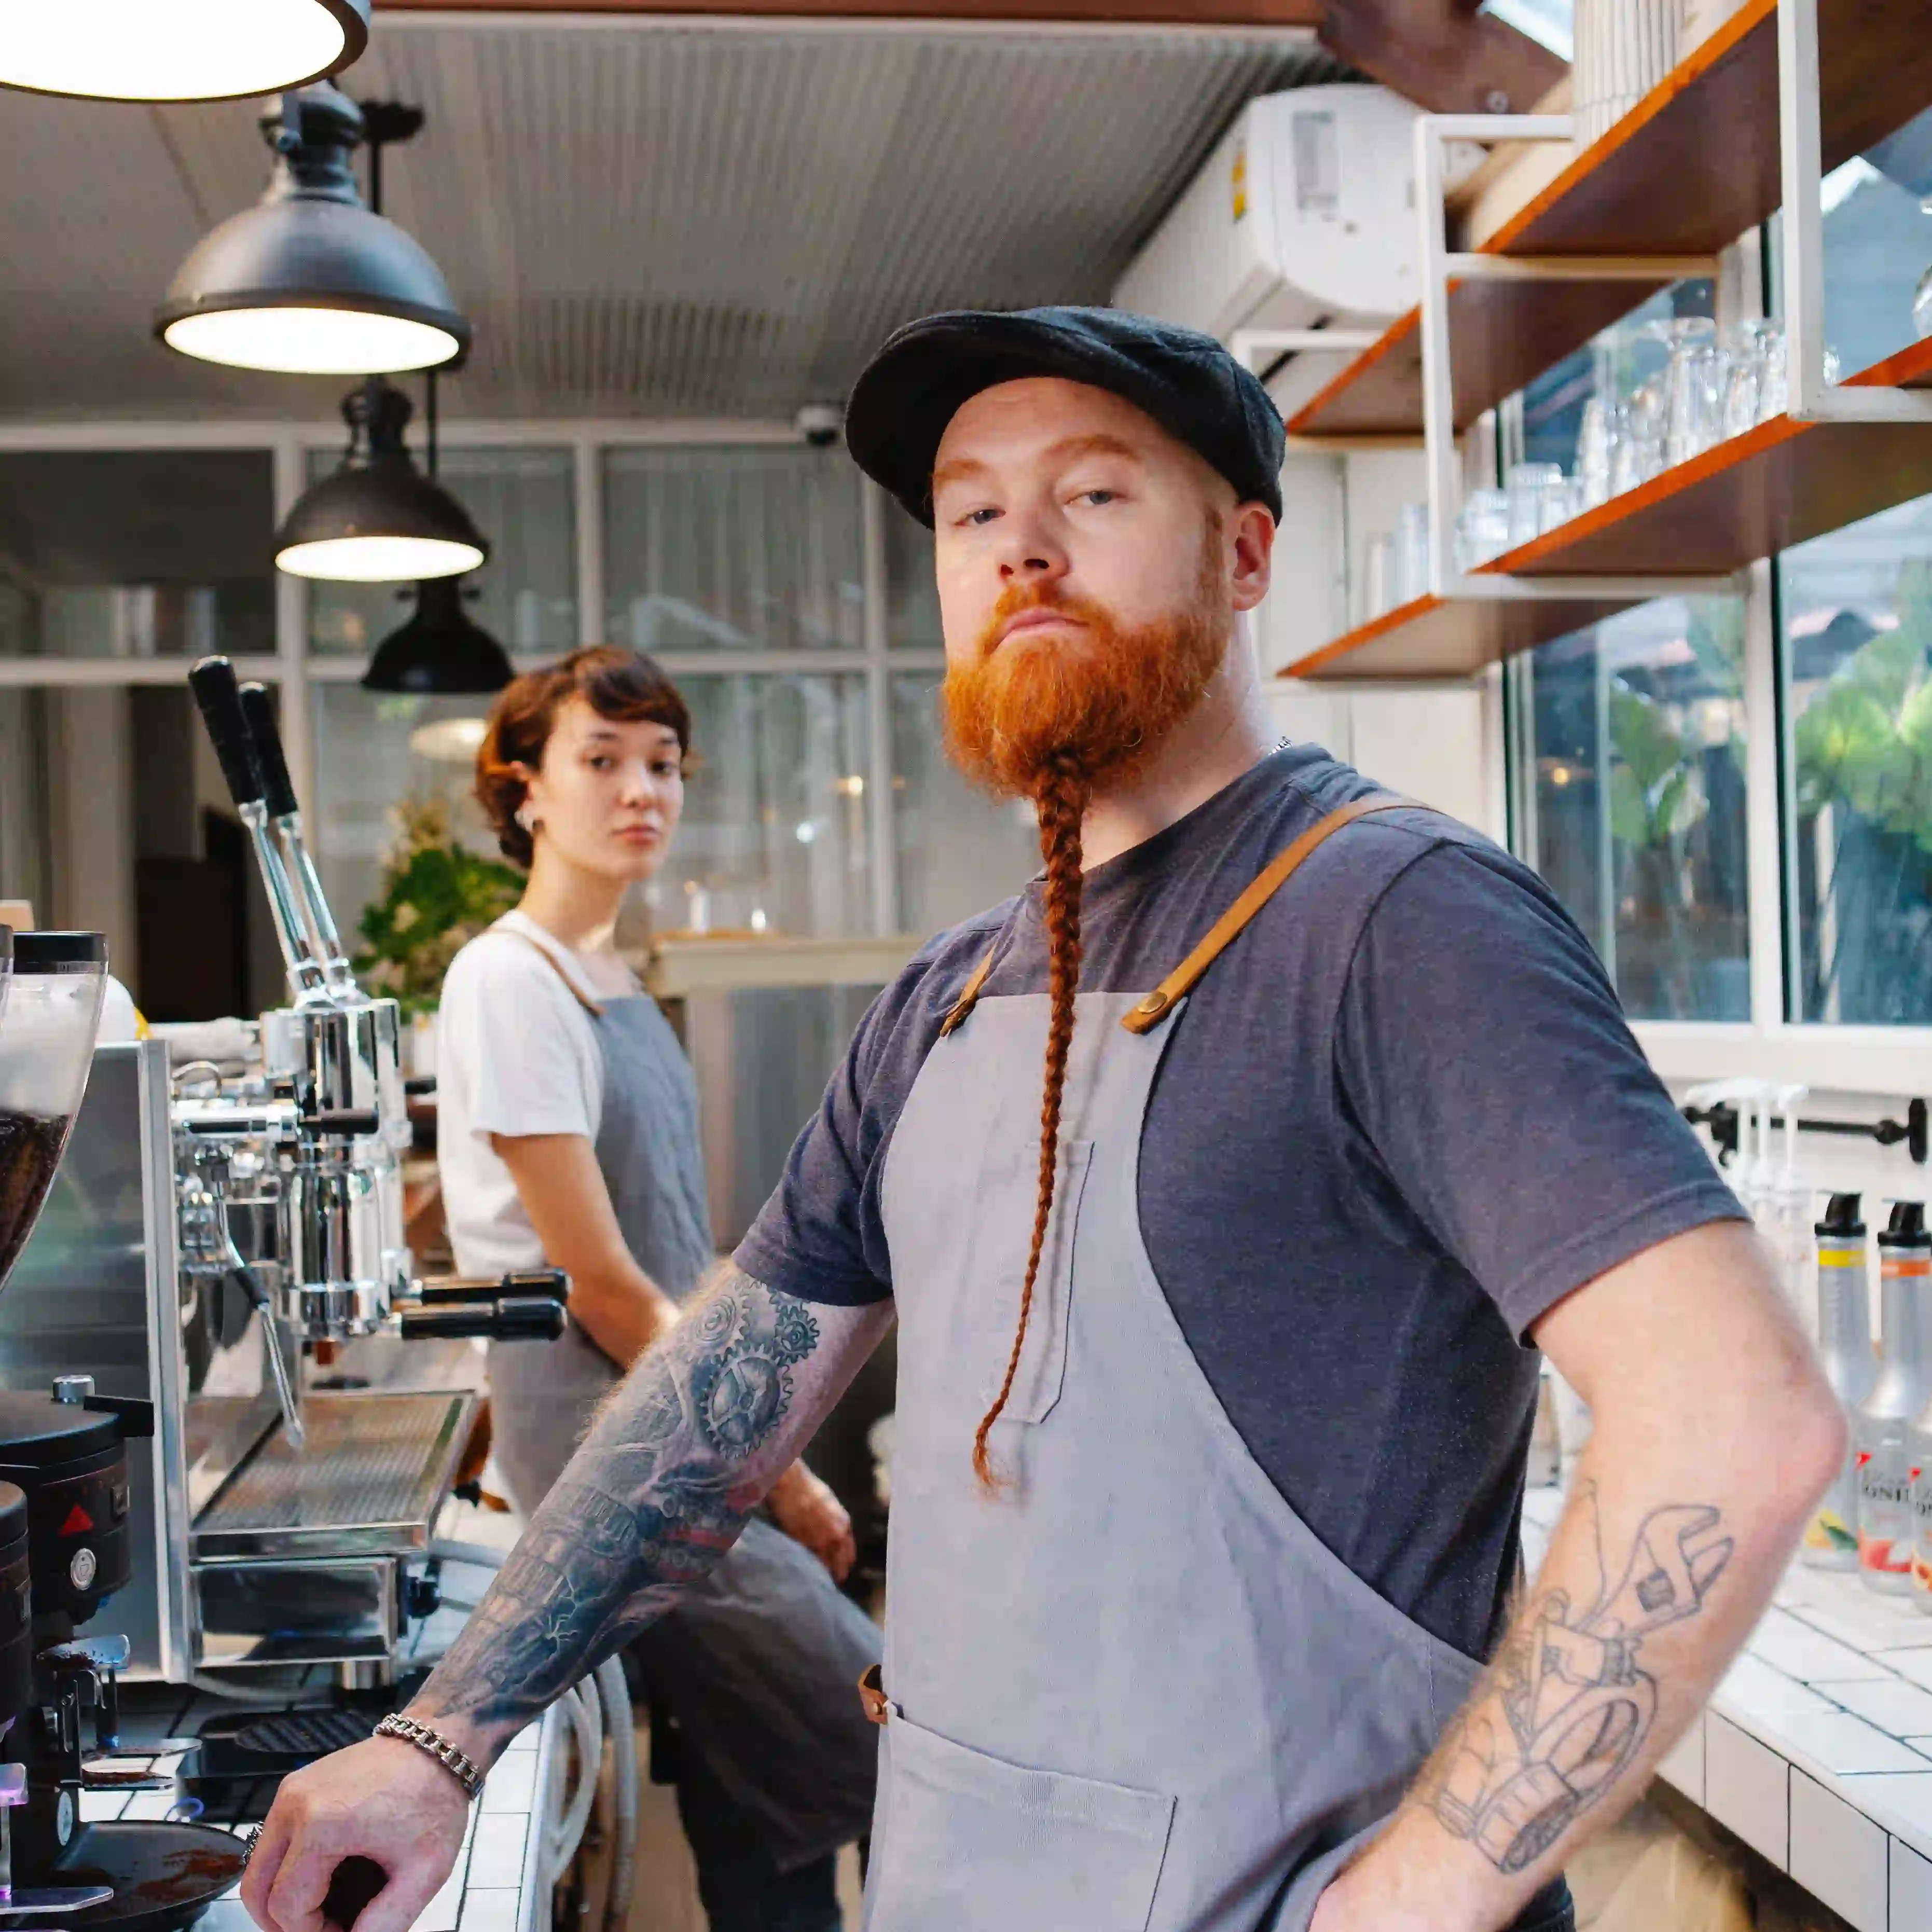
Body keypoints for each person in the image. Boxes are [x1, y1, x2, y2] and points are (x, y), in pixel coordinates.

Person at [243, 310, 1843, 1932]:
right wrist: (442, 1736)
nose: (1021, 554)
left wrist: (1418, 1900)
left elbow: (1731, 1420)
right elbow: (704, 1413)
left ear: (1241, 552)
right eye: (970, 513)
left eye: (1091, 497)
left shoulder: (1395, 920)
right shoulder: (945, 995)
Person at [433, 647, 880, 1931]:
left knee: (758, 1781)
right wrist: (780, 1464)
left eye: (663, 764)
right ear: (523, 790)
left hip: (678, 1403)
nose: (642, 790)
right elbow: (608, 1284)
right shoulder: (508, 979)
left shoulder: (609, 976)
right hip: (611, 1438)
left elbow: (676, 1254)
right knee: (880, 1724)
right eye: (601, 759)